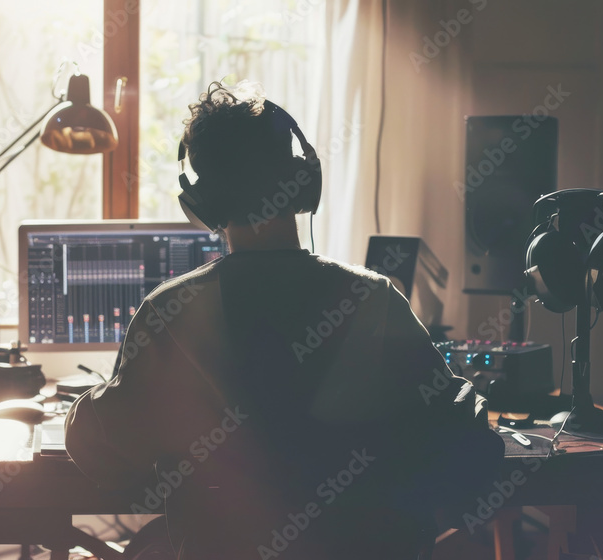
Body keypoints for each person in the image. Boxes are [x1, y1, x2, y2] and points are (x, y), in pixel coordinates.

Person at [64, 81, 504, 559]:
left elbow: (100, 450)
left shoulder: (172, 313)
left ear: (203, 203)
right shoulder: (374, 298)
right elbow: (463, 436)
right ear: (301, 181)